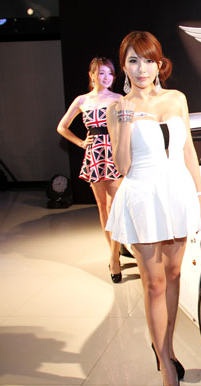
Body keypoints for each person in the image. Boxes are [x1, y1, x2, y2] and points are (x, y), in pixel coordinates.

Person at [105, 31, 201, 386]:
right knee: (154, 283)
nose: (141, 68)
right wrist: (126, 122)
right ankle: (166, 365)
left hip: (177, 193)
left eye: (148, 60)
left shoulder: (176, 99)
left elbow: (189, 150)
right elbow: (122, 166)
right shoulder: (118, 108)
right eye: (133, 61)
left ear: (159, 63)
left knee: (175, 274)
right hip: (143, 197)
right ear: (124, 67)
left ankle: (167, 345)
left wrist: (200, 197)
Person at [57, 57, 125, 283]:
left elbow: (129, 127)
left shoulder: (119, 99)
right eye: (102, 73)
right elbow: (62, 127)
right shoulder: (82, 100)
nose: (106, 77)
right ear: (92, 74)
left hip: (114, 153)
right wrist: (80, 142)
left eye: (110, 73)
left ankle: (114, 258)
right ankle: (113, 251)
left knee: (116, 207)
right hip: (94, 154)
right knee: (102, 206)